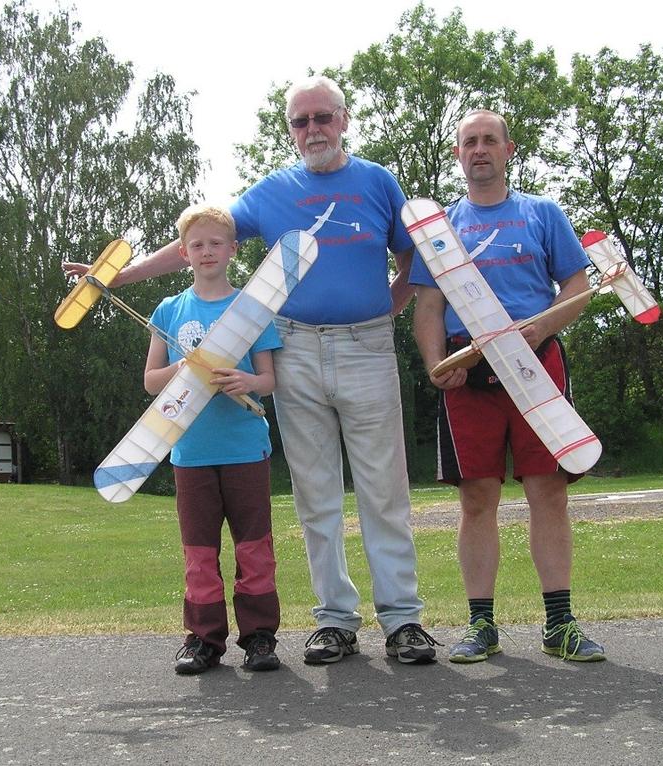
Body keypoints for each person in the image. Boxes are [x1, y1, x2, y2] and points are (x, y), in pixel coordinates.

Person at [66, 76, 437, 665]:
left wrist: (393, 301)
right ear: (290, 129)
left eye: (321, 118)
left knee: (383, 491)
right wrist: (116, 276)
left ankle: (403, 621)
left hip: (367, 348)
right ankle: (336, 622)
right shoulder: (270, 191)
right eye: (299, 121)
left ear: (343, 120)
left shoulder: (377, 181)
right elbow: (196, 239)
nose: (311, 130)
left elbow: (413, 251)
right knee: (316, 494)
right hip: (292, 348)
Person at [410, 109, 606, 663]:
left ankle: (560, 623)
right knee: (477, 500)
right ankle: (480, 626)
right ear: (457, 154)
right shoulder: (441, 228)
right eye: (469, 142)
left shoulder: (543, 213)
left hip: (536, 366)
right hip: (468, 376)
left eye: (489, 140)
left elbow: (577, 285)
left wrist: (542, 326)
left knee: (548, 491)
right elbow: (428, 305)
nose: (479, 149)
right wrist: (434, 364)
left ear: (508, 149)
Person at [145, 204, 283, 675]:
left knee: (254, 547)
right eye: (197, 245)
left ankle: (260, 637)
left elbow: (269, 381)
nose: (207, 252)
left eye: (216, 243)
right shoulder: (169, 310)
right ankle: (203, 640)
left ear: (233, 250)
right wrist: (180, 369)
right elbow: (149, 381)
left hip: (245, 448)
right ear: (184, 253)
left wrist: (246, 382)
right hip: (191, 453)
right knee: (200, 553)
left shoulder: (251, 309)